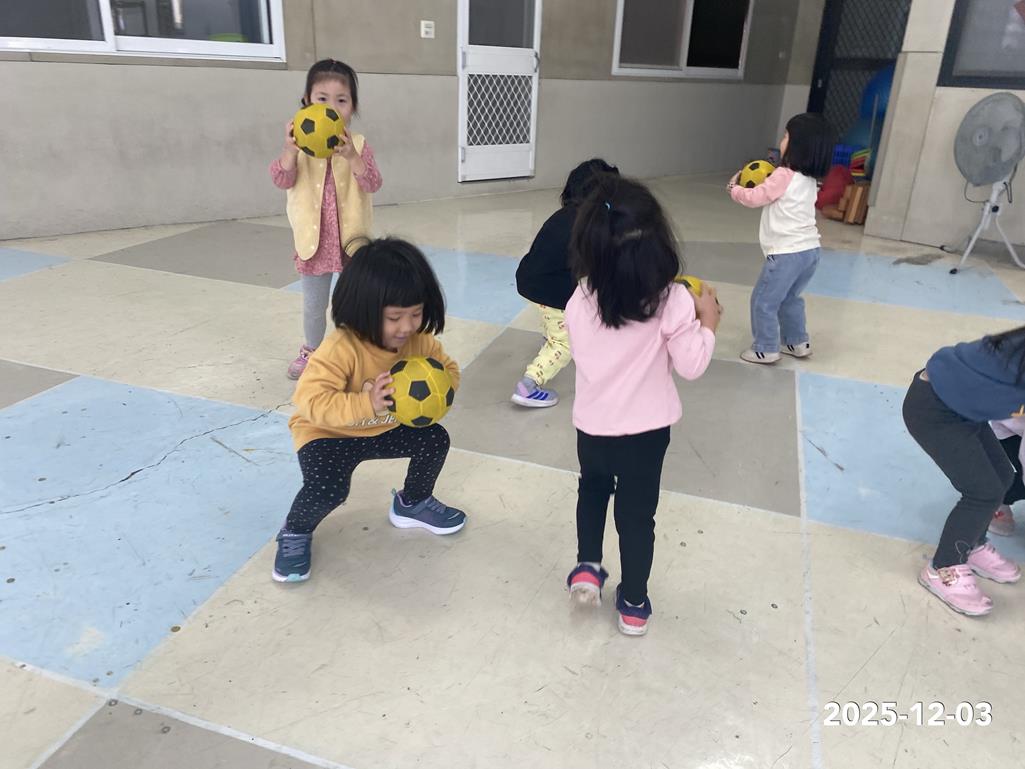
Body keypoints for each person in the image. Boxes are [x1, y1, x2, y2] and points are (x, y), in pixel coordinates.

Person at [563, 177, 721, 636]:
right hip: (646, 435)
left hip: (592, 426)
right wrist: (707, 322)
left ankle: (587, 567)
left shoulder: (581, 297)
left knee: (592, 490)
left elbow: (584, 350)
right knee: (636, 516)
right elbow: (691, 365)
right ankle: (633, 604)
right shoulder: (673, 300)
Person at [274, 238, 465, 583]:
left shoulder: (419, 342)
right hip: (326, 434)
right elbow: (310, 401)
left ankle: (413, 502)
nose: (406, 327)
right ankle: (295, 530)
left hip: (382, 429)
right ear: (363, 310)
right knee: (329, 490)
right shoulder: (341, 348)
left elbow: (449, 370)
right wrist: (368, 403)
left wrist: (438, 390)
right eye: (394, 317)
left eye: (416, 313)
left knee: (435, 440)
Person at [271, 59, 383, 379]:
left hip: (352, 243)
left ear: (353, 107)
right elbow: (281, 179)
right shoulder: (298, 145)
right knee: (313, 305)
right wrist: (290, 151)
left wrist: (353, 157)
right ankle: (312, 350)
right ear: (307, 101)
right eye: (322, 99)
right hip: (314, 243)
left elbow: (373, 183)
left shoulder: (359, 145)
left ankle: (354, 352)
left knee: (353, 303)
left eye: (341, 100)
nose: (331, 108)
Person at [903, 327, 1025, 616]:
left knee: (1002, 477)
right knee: (982, 492)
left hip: (963, 408)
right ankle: (942, 567)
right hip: (934, 410)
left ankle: (972, 544)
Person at [727, 113, 834, 364]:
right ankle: (797, 342)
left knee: (763, 301)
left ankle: (765, 347)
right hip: (810, 252)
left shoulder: (783, 175)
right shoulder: (810, 180)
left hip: (786, 254)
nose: (782, 140)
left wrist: (735, 189)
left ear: (798, 145)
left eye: (786, 136)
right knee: (790, 298)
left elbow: (755, 198)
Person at [512, 159, 620, 407]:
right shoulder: (590, 224)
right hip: (550, 287)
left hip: (530, 278)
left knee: (558, 313)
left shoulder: (565, 215)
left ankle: (551, 336)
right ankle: (528, 386)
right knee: (565, 342)